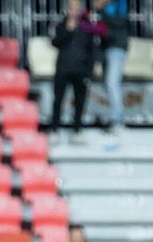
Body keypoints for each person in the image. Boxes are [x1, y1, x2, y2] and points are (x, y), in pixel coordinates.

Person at [50, 0, 105, 143]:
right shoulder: (61, 25)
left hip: (81, 70)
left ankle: (77, 130)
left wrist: (90, 70)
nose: (74, 10)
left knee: (80, 101)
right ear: (67, 10)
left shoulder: (87, 26)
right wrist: (68, 29)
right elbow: (55, 43)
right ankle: (54, 129)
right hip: (63, 68)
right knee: (58, 100)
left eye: (76, 8)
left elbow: (93, 49)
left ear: (80, 10)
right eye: (71, 8)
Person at [95, 0, 130, 135]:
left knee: (112, 82)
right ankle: (113, 117)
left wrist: (102, 8)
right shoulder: (105, 6)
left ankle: (117, 120)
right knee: (109, 83)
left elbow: (119, 21)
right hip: (106, 47)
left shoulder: (120, 2)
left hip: (117, 47)